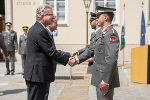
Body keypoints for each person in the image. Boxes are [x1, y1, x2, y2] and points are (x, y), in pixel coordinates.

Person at [70, 6, 120, 100]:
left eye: (98, 16)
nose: (97, 18)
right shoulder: (102, 33)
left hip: (105, 78)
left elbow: (112, 59)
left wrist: (106, 81)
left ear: (105, 18)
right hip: (100, 77)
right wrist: (77, 59)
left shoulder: (111, 33)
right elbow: (91, 50)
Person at [24, 5, 73, 100]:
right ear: (43, 16)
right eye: (51, 14)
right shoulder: (40, 30)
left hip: (38, 75)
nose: (53, 17)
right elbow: (51, 52)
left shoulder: (38, 28)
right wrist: (68, 60)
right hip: (37, 75)